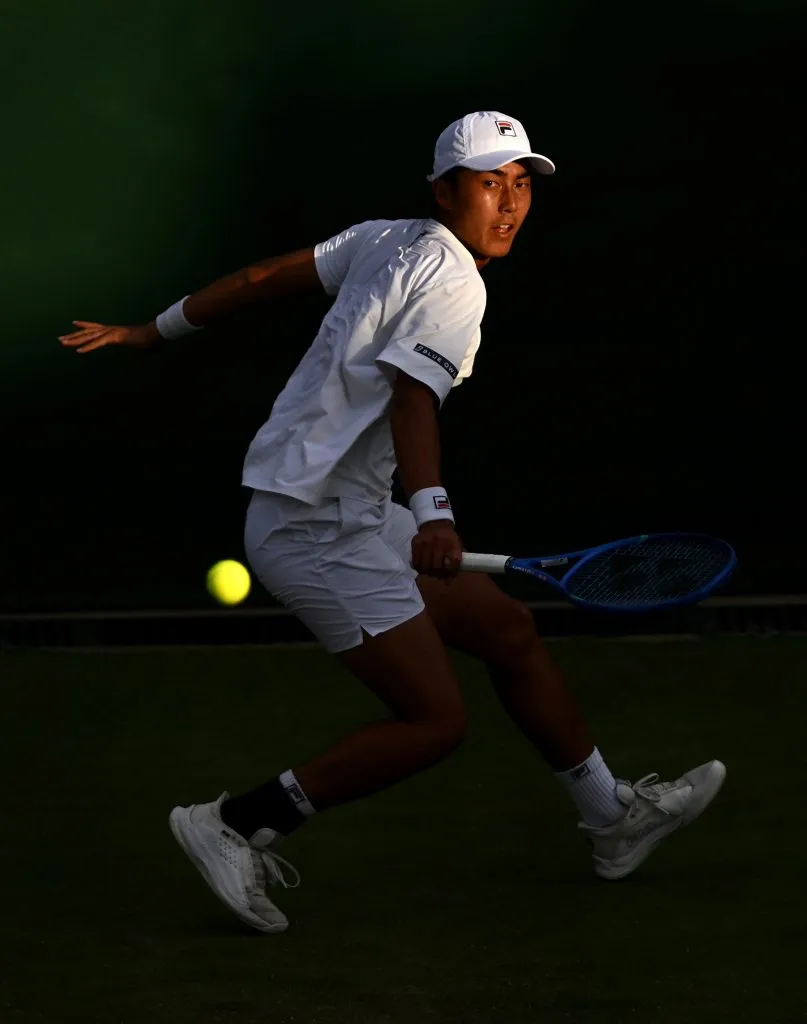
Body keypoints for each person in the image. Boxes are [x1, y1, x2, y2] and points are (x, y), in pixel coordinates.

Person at [60, 110, 726, 935]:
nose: (510, 203)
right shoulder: (454, 281)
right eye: (489, 184)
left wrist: (148, 332)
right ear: (445, 190)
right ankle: (234, 824)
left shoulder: (387, 239)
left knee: (508, 632)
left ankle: (610, 817)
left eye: (521, 184)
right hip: (314, 530)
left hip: (339, 508)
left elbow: (267, 275)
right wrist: (433, 513)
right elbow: (414, 399)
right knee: (434, 722)